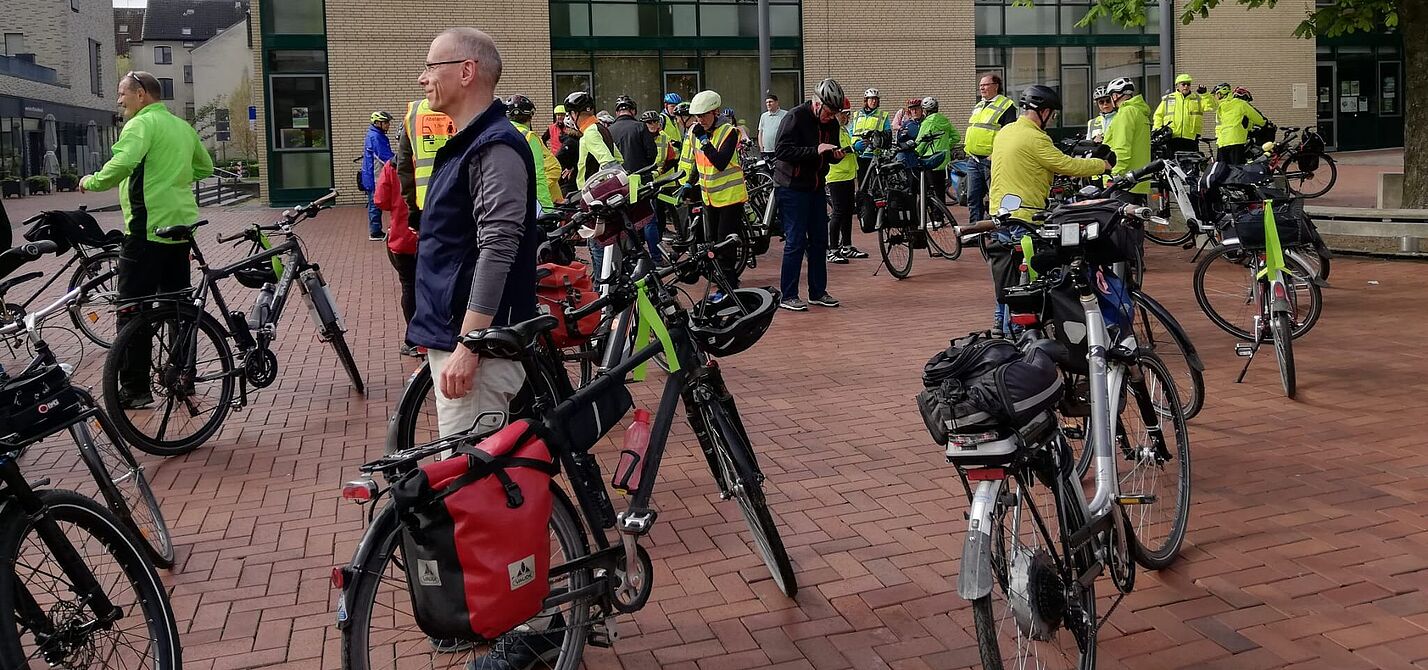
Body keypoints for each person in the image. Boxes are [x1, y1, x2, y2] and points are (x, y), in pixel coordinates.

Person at [410, 27, 540, 449]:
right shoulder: (469, 142)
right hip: (457, 335)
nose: (422, 77)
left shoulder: (493, 146)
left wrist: (469, 344)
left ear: (466, 71)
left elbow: (499, 246)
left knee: (475, 488)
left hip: (475, 347)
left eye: (432, 65)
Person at [80, 70, 212, 408]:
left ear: (141, 94)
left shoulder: (141, 125)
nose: (119, 101)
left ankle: (136, 390)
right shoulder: (182, 127)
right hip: (180, 232)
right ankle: (184, 376)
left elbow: (122, 163)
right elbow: (205, 167)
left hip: (146, 231)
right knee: (177, 308)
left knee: (133, 310)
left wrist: (91, 182)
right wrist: (173, 177)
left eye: (122, 93)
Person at [986, 85, 1111, 336]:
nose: (1052, 119)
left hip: (1000, 213)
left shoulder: (1006, 132)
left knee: (1006, 277)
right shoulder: (1035, 137)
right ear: (1042, 111)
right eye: (1051, 114)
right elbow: (1065, 165)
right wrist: (1102, 165)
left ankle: (1001, 330)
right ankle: (1020, 337)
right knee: (1030, 281)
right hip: (1025, 215)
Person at [774, 78, 845, 312]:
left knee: (819, 241)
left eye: (836, 112)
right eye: (829, 111)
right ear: (817, 104)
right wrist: (814, 150)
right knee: (795, 241)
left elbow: (828, 150)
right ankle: (788, 294)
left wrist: (834, 155)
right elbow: (782, 151)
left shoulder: (831, 123)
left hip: (815, 187)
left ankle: (817, 291)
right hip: (791, 187)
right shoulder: (795, 117)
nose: (832, 116)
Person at [677, 89, 747, 287]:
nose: (700, 120)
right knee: (711, 241)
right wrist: (689, 182)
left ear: (715, 112)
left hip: (730, 197)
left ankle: (731, 283)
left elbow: (720, 162)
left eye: (704, 115)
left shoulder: (729, 132)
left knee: (725, 241)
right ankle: (719, 280)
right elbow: (697, 162)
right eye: (697, 116)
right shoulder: (694, 132)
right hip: (709, 196)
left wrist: (704, 141)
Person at [565, 90, 625, 274]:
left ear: (575, 114)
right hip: (601, 199)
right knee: (608, 245)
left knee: (597, 245)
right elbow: (620, 160)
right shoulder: (601, 128)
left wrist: (599, 191)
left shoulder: (590, 133)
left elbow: (610, 164)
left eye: (570, 114)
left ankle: (602, 288)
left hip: (594, 201)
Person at [373, 154, 420, 357]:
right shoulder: (434, 160)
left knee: (409, 287)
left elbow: (381, 201)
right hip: (431, 237)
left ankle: (413, 340)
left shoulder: (390, 167)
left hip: (402, 238)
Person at [610, 95, 663, 261]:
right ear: (633, 111)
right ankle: (655, 257)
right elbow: (652, 154)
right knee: (648, 219)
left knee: (624, 221)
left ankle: (629, 257)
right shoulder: (640, 127)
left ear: (617, 112)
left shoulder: (608, 130)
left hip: (618, 182)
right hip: (641, 180)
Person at [397, 96, 456, 233]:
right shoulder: (469, 107)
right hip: (464, 203)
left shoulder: (415, 112)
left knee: (433, 250)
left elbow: (404, 166)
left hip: (426, 203)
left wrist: (413, 209)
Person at [964, 72, 1017, 224]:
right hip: (973, 159)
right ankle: (975, 231)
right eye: (980, 85)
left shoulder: (1006, 105)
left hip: (992, 161)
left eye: (985, 85)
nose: (982, 88)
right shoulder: (979, 105)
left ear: (996, 86)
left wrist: (995, 155)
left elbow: (1009, 134)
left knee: (996, 198)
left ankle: (998, 233)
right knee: (973, 197)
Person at [1103, 77, 1152, 203]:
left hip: (1124, 181)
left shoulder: (1126, 112)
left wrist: (1115, 174)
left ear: (1115, 96)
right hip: (1139, 180)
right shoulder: (1140, 112)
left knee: (1117, 220)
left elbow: (1122, 147)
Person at [506, 94, 557, 211]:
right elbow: (537, 176)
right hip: (524, 201)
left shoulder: (498, 134)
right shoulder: (529, 137)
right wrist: (547, 208)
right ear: (530, 116)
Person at [915, 95, 960, 222]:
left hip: (930, 160)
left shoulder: (928, 122)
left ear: (925, 110)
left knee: (927, 190)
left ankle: (934, 218)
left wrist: (915, 153)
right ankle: (940, 217)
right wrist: (946, 147)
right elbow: (956, 137)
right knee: (940, 190)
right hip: (943, 160)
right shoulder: (944, 120)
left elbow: (920, 141)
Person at [826, 97, 859, 264]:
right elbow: (834, 150)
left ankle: (847, 245)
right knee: (838, 212)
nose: (847, 117)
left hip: (848, 174)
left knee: (847, 212)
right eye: (845, 114)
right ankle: (832, 249)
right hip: (836, 176)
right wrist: (852, 148)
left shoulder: (844, 130)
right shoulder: (832, 130)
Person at [642, 109, 682, 245]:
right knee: (651, 215)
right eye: (649, 122)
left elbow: (672, 158)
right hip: (648, 184)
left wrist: (661, 171)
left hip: (664, 183)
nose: (652, 125)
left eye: (655, 122)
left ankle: (675, 236)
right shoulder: (641, 136)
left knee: (669, 211)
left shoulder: (664, 136)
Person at [1153, 73, 1214, 155]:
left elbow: (1211, 107)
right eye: (1183, 84)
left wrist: (1205, 95)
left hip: (1191, 138)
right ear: (1177, 86)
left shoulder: (1197, 99)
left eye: (1188, 84)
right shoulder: (1168, 99)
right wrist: (1158, 130)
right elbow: (1158, 115)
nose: (1186, 86)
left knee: (1191, 164)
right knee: (1173, 164)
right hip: (1173, 137)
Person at [1209, 83, 1267, 165]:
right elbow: (1256, 117)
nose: (1215, 97)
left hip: (1222, 142)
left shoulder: (1219, 107)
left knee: (1222, 169)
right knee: (1237, 168)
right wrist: (1264, 123)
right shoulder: (1240, 103)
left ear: (1220, 94)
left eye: (1215, 95)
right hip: (1236, 140)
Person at [361, 110, 395, 240]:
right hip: (374, 176)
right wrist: (398, 161)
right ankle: (375, 232)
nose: (388, 125)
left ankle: (376, 230)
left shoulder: (376, 135)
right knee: (375, 203)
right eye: (385, 122)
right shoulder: (376, 137)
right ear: (377, 123)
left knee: (375, 202)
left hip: (374, 174)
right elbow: (384, 156)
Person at [850, 88, 891, 187]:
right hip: (860, 155)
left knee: (876, 186)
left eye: (876, 99)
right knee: (862, 185)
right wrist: (855, 144)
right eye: (871, 99)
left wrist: (875, 141)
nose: (873, 101)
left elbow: (888, 135)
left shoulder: (883, 115)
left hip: (875, 156)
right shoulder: (857, 115)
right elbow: (852, 133)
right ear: (866, 100)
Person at [757, 92, 787, 160]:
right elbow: (760, 133)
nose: (768, 104)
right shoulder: (763, 116)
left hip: (780, 150)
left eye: (770, 102)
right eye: (767, 102)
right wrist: (761, 149)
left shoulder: (785, 115)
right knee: (766, 170)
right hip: (766, 151)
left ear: (776, 102)